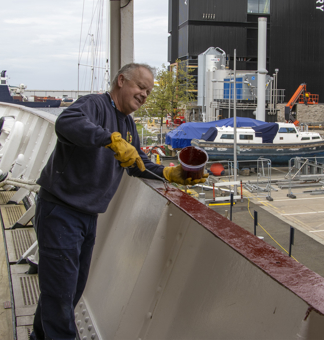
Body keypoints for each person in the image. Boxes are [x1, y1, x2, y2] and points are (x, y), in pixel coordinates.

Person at [30, 63, 206, 340]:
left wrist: (170, 173)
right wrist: (108, 139)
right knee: (60, 291)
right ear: (121, 81)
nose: (145, 95)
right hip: (60, 211)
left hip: (87, 216)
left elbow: (137, 163)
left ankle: (40, 336)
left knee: (69, 288)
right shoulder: (95, 105)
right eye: (141, 87)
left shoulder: (127, 124)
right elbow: (67, 122)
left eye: (148, 91)